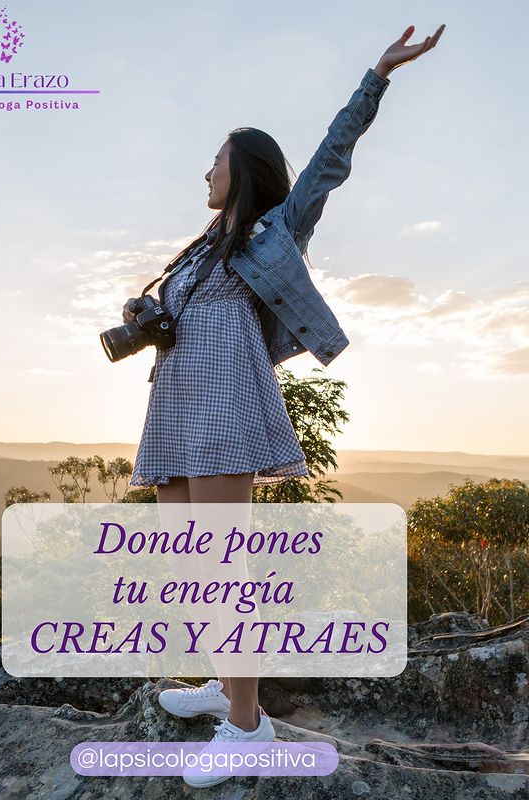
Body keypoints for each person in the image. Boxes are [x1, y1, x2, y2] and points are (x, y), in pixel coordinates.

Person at [123, 23, 445, 789]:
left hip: (228, 409)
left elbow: (332, 158)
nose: (205, 170)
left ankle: (249, 726)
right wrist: (144, 312)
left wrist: (377, 76)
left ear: (247, 172)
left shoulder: (277, 230)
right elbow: (189, 316)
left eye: (216, 162)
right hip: (175, 406)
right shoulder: (201, 247)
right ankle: (222, 684)